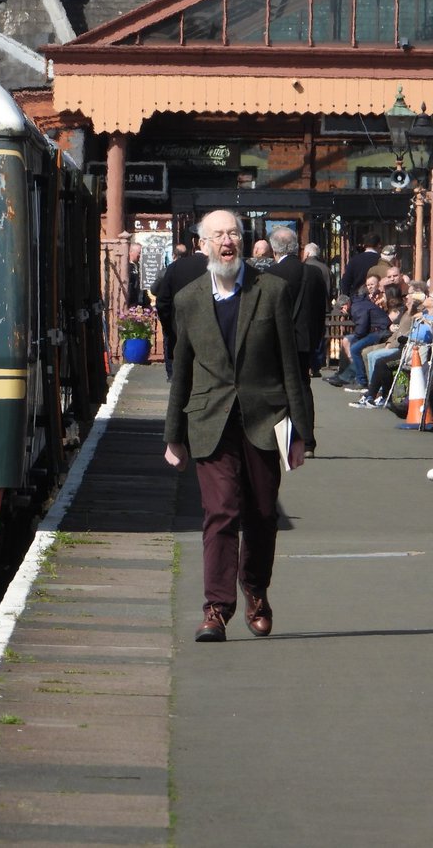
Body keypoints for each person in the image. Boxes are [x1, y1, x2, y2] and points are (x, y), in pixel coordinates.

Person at [164, 209, 311, 643]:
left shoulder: (272, 292)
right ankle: (215, 608)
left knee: (262, 514)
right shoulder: (188, 299)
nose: (227, 241)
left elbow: (291, 365)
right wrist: (173, 435)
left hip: (265, 419)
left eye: (233, 233)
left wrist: (302, 432)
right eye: (218, 235)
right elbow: (182, 372)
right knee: (221, 512)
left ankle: (256, 593)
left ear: (243, 242)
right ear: (203, 244)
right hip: (209, 420)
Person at [265, 226, 326, 457]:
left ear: (274, 250)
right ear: (297, 248)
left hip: (275, 342)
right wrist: (315, 341)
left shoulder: (269, 275)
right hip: (303, 341)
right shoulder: (313, 274)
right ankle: (307, 441)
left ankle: (280, 440)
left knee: (276, 389)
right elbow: (321, 310)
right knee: (302, 387)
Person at [150, 225, 209, 381]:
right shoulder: (222, 269)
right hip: (213, 336)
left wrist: (169, 327)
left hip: (181, 330)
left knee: (182, 378)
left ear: (194, 241)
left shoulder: (176, 267)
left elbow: (163, 301)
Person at [303, 242, 332, 376]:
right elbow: (330, 289)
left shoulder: (305, 267)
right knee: (320, 336)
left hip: (309, 307)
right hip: (324, 306)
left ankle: (309, 364)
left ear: (307, 253)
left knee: (309, 336)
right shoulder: (325, 268)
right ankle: (317, 365)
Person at [341, 232, 382, 297]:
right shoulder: (381, 260)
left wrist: (348, 297)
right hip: (377, 298)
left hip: (357, 298)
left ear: (364, 245)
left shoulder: (354, 260)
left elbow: (345, 282)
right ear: (379, 245)